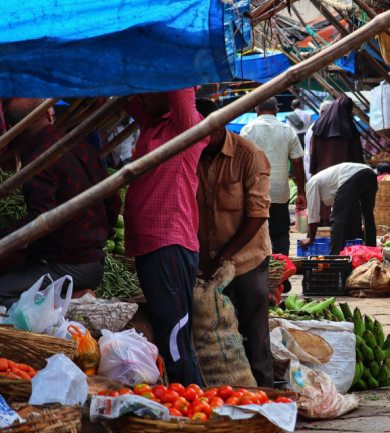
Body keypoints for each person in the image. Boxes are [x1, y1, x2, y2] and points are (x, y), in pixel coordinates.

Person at [0, 98, 120, 307]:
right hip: (95, 263)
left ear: (11, 129)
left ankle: (67, 302)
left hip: (66, 266)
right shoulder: (82, 146)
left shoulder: (38, 161)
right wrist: (97, 239)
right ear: (48, 114)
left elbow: (38, 224)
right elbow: (113, 200)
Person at [123, 88, 206, 385]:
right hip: (148, 245)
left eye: (153, 86)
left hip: (169, 243)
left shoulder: (186, 127)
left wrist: (168, 52)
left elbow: (182, 87)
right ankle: (181, 395)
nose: (143, 94)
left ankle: (189, 396)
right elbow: (130, 95)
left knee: (174, 335)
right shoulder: (150, 122)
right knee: (165, 329)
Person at [194, 99, 274, 387]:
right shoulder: (191, 154)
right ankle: (225, 395)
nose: (199, 138)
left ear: (219, 124)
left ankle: (264, 396)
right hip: (205, 262)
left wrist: (224, 256)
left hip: (246, 260)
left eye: (203, 130)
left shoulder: (249, 154)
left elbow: (257, 214)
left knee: (255, 331)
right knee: (217, 333)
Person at [240, 98, 305, 255]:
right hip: (279, 191)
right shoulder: (287, 130)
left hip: (254, 191)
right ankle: (282, 272)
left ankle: (260, 272)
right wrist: (301, 192)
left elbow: (240, 163)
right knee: (281, 232)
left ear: (257, 110)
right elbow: (297, 163)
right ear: (277, 110)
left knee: (254, 233)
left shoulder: (247, 130)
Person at [308, 96, 364, 240]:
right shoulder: (350, 127)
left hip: (324, 175)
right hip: (346, 177)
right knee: (348, 209)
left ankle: (320, 239)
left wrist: (313, 172)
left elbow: (313, 153)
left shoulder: (318, 126)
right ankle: (349, 239)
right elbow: (358, 156)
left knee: (324, 208)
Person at [299, 163, 377, 256]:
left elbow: (313, 214)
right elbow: (337, 206)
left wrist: (311, 239)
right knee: (368, 216)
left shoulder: (311, 184)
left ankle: (334, 257)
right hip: (370, 173)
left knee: (337, 218)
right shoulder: (328, 182)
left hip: (353, 174)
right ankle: (372, 252)